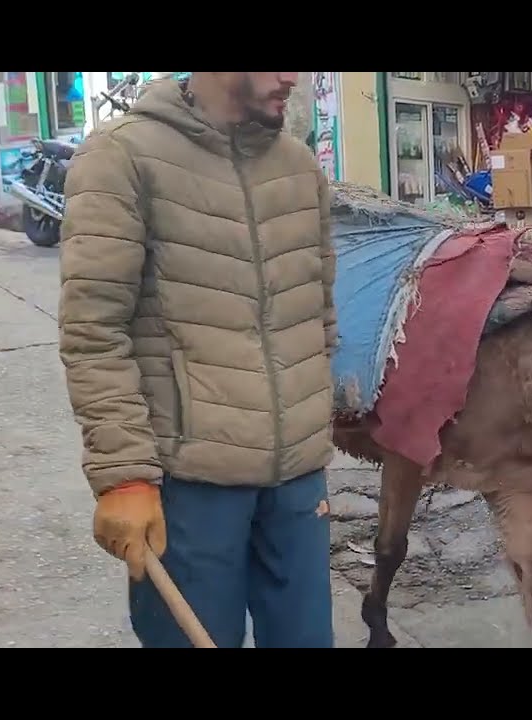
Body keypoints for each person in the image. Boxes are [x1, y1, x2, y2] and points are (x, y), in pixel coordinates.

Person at [57, 72, 339, 648]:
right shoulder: (122, 157)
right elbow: (94, 332)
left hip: (296, 485)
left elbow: (319, 315)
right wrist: (124, 475)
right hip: (189, 488)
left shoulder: (300, 168)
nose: (295, 78)